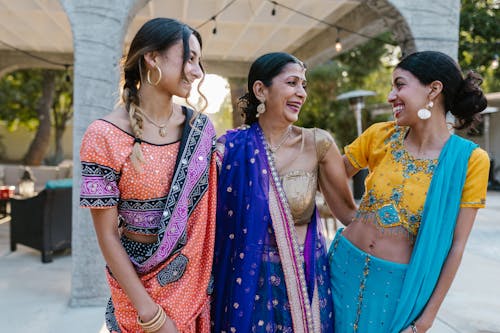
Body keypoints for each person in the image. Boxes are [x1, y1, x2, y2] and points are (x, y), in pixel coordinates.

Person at [328, 50, 490, 333]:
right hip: (340, 269)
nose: (391, 96)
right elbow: (330, 176)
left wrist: (423, 323)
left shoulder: (469, 161)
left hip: (395, 288)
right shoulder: (380, 135)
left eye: (400, 85)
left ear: (434, 89)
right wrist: (347, 214)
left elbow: (456, 247)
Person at [79, 18, 217, 333]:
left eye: (199, 61)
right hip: (135, 297)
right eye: (190, 58)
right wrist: (151, 316)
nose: (197, 71)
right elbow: (107, 236)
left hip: (194, 291)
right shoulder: (104, 135)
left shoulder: (201, 132)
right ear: (152, 57)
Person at [211, 52, 356, 332]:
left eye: (303, 85)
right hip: (248, 286)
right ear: (260, 90)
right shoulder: (230, 148)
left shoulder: (317, 144)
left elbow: (348, 214)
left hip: (305, 282)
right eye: (292, 83)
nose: (301, 93)